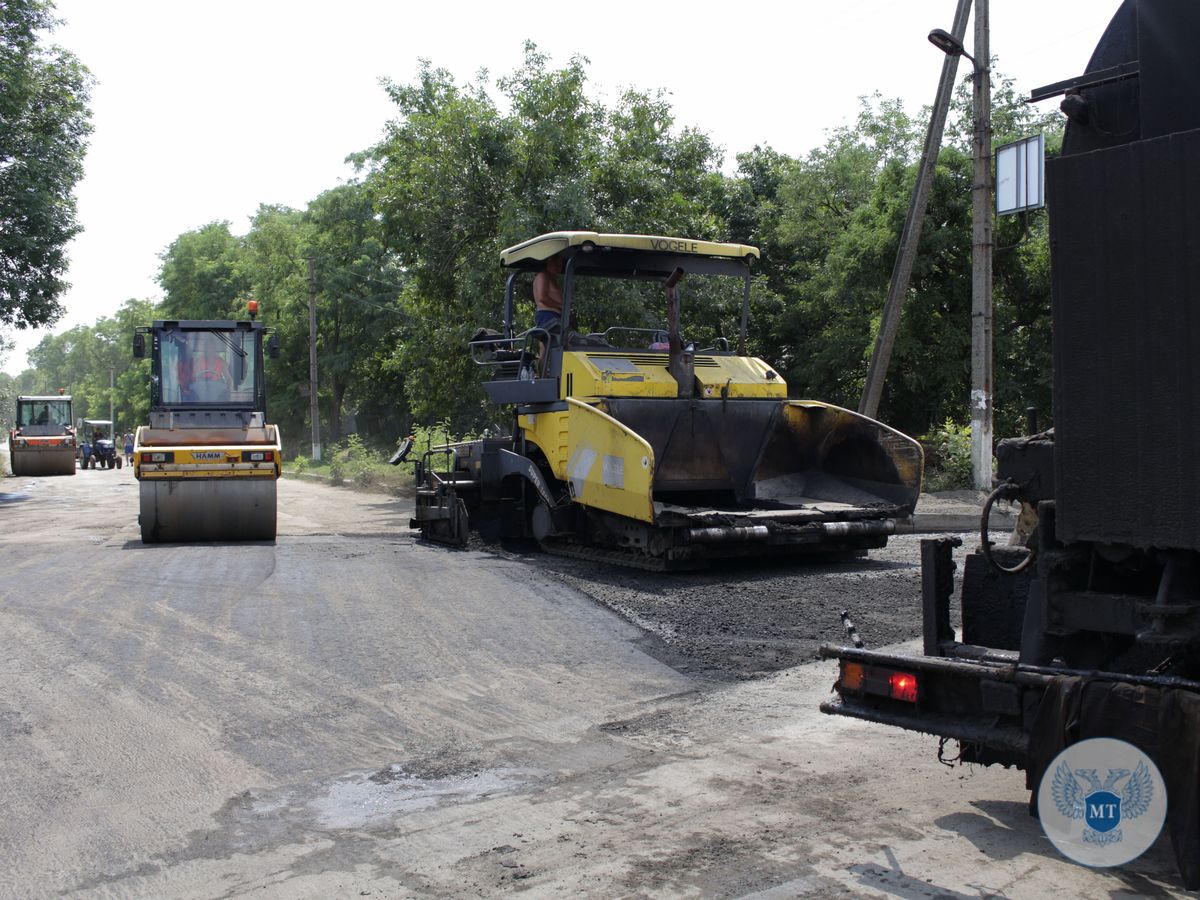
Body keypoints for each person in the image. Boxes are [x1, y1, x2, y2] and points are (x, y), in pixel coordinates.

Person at [177, 332, 232, 400]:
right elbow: (194, 378)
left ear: (215, 349)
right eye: (208, 348)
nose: (210, 350)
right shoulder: (199, 361)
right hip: (201, 394)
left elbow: (229, 379)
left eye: (212, 348)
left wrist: (228, 389)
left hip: (217, 395)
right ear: (205, 350)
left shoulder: (222, 362)